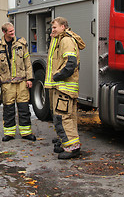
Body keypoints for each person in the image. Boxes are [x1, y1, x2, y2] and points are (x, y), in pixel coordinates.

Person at [44, 17, 86, 159]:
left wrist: (56, 76)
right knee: (68, 118)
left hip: (64, 88)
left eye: (55, 27)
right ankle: (68, 144)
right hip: (64, 88)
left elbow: (70, 64)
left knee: (63, 118)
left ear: (63, 27)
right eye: (52, 28)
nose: (52, 30)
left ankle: (72, 149)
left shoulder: (66, 40)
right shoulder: (61, 39)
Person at [0, 22, 36, 142]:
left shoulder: (21, 44)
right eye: (10, 31)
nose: (13, 33)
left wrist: (30, 79)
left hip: (22, 82)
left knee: (24, 108)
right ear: (4, 32)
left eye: (13, 30)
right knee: (8, 110)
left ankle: (26, 133)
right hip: (7, 84)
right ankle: (9, 133)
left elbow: (28, 62)